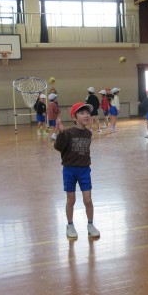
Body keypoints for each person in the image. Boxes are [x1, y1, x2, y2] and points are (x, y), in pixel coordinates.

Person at [54, 103, 100, 240]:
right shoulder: (68, 133)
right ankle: (70, 225)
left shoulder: (88, 133)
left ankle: (90, 225)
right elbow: (58, 147)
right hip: (69, 170)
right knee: (71, 199)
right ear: (74, 118)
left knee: (88, 199)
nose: (86, 115)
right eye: (82, 113)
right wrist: (61, 133)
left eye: (87, 113)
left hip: (84, 170)